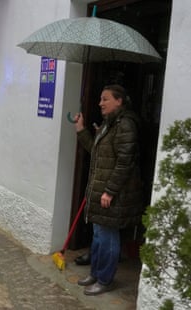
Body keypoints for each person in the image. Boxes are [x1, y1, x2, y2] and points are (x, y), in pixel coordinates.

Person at [74, 84, 143, 295]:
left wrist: (110, 191)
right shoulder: (108, 124)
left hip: (112, 195)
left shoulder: (125, 125)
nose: (100, 103)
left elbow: (125, 161)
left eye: (105, 99)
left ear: (119, 100)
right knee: (98, 236)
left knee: (108, 238)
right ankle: (96, 273)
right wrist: (81, 129)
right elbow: (96, 152)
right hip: (100, 192)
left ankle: (105, 279)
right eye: (101, 99)